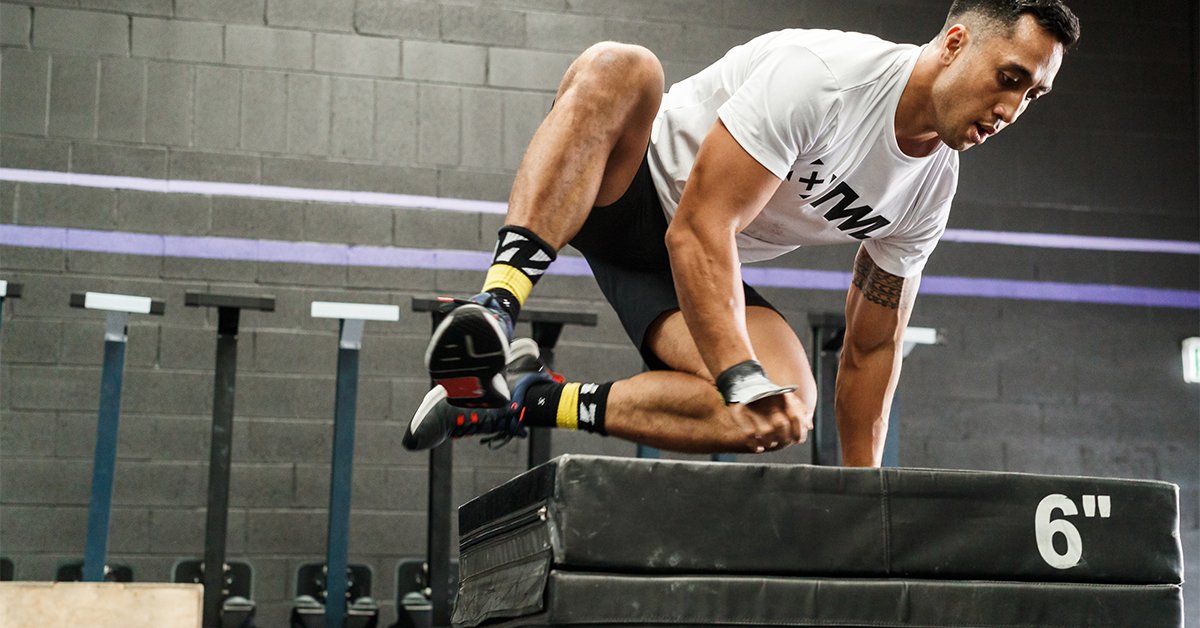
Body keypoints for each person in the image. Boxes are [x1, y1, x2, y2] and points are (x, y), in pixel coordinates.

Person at [403, 0, 1079, 466]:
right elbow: (701, 226)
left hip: (675, 273)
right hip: (627, 186)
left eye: (1032, 96)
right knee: (624, 66)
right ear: (957, 42)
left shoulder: (928, 191)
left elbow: (872, 350)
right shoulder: (827, 81)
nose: (1012, 108)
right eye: (1010, 78)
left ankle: (524, 399)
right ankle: (494, 306)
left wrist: (864, 501)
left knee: (782, 408)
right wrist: (735, 370)